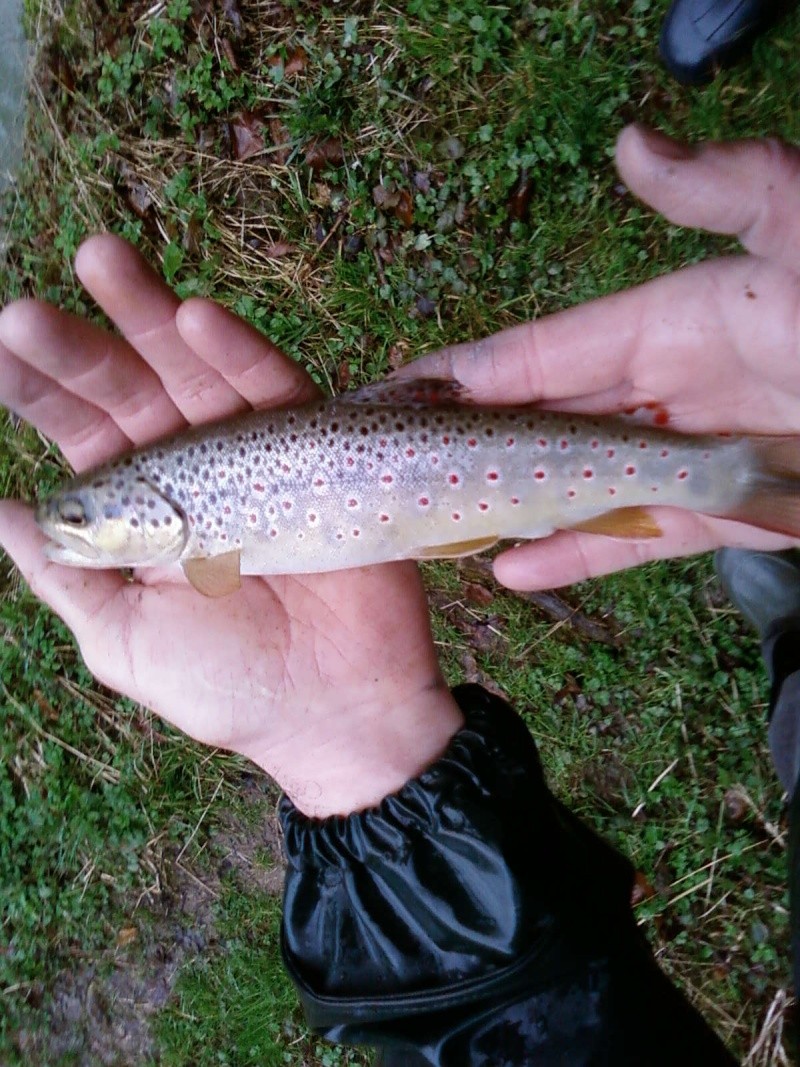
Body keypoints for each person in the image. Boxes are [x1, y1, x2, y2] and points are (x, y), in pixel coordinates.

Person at [0, 121, 798, 1063]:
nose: (75, 534)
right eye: (85, 522)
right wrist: (352, 746)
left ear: (150, 507)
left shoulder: (203, 543)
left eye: (88, 518)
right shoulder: (198, 537)